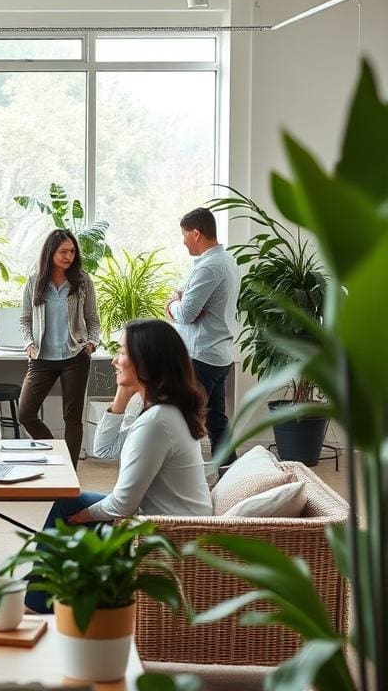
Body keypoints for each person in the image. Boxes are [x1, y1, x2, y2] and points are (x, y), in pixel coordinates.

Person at [25, 319, 212, 613]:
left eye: (122, 352)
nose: (114, 360)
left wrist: (82, 517)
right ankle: (42, 595)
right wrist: (123, 394)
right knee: (68, 502)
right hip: (164, 520)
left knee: (70, 511)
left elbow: (122, 504)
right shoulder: (158, 409)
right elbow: (104, 449)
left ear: (144, 361)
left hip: (166, 532)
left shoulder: (157, 422)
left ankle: (39, 602)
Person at [17, 229, 100, 466]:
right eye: (63, 251)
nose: (68, 256)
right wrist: (29, 343)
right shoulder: (34, 281)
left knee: (72, 419)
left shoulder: (82, 281)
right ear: (51, 252)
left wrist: (92, 342)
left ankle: (70, 472)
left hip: (75, 356)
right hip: (42, 358)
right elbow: (24, 319)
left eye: (72, 251)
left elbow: (93, 318)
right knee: (25, 414)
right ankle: (59, 456)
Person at [166, 207, 240, 463]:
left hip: (201, 356)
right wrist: (184, 303)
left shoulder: (209, 267)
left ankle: (186, 479)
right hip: (217, 355)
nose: (183, 240)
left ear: (196, 233)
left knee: (185, 420)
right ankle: (229, 472)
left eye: (185, 235)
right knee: (216, 419)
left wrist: (171, 303)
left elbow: (186, 313)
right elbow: (193, 311)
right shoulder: (226, 262)